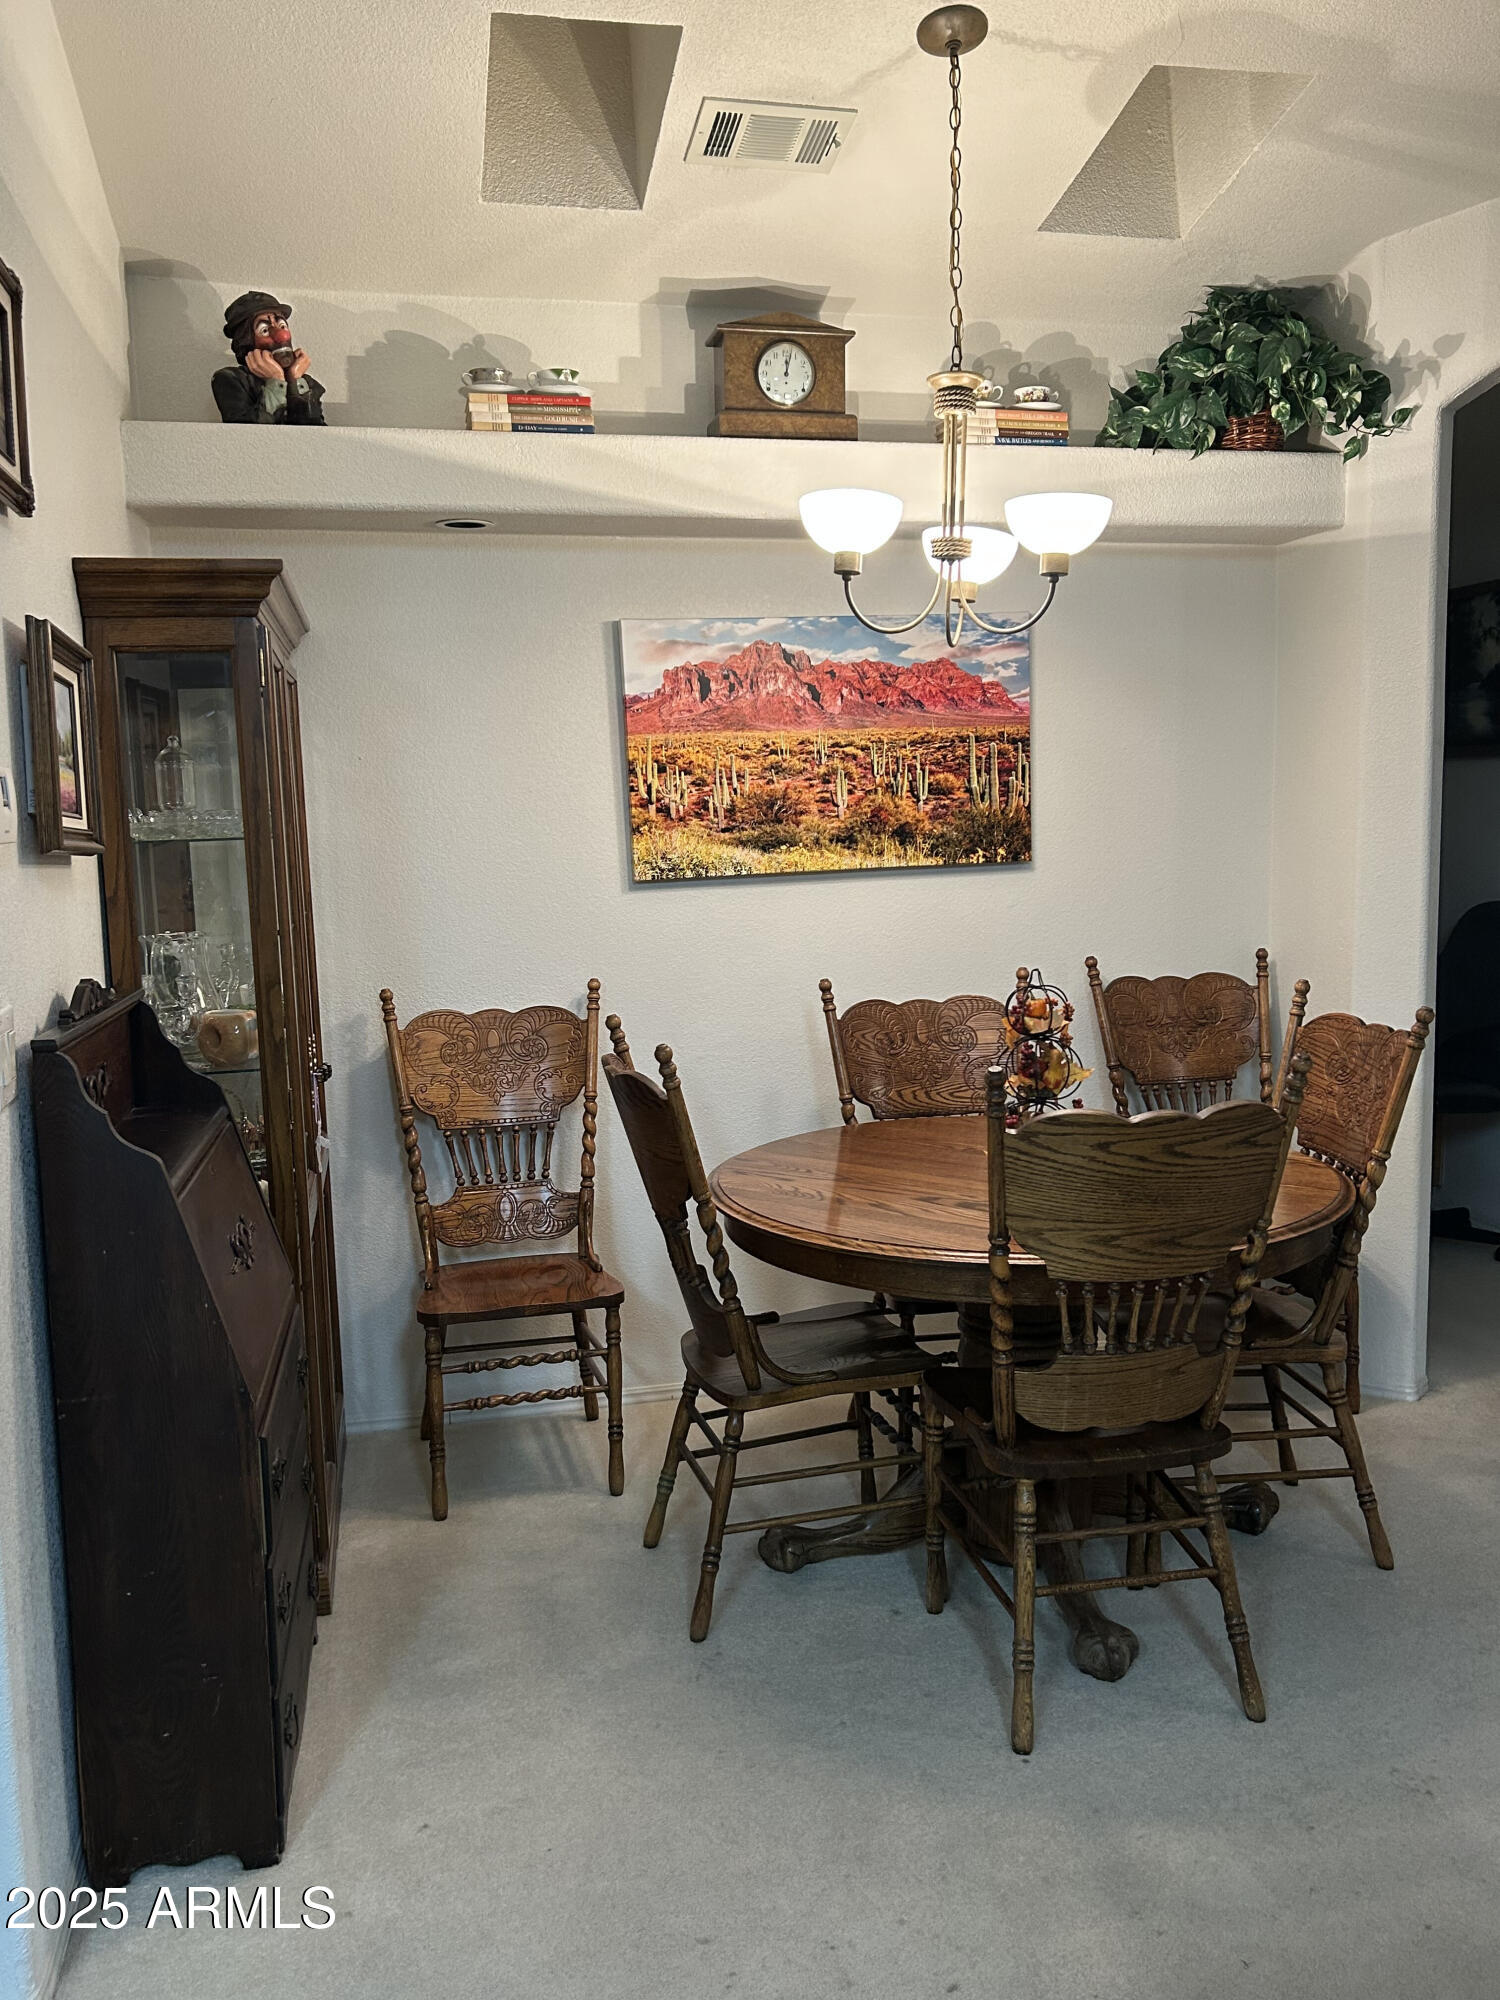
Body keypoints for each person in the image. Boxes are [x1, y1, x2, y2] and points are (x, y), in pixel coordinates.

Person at [212, 291, 326, 425]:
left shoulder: (307, 384)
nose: (281, 336)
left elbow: (316, 434)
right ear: (246, 341)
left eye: (282, 326)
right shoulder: (231, 380)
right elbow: (250, 435)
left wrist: (294, 380)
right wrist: (276, 381)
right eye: (264, 330)